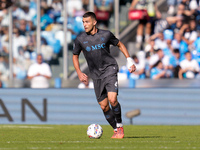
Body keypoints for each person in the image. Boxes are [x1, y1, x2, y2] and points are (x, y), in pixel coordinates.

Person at [72, 12, 136, 139]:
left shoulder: (106, 34)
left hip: (109, 69)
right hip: (95, 75)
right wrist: (79, 72)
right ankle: (116, 130)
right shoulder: (80, 39)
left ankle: (120, 127)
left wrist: (129, 60)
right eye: (83, 22)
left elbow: (120, 44)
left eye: (87, 22)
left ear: (94, 22)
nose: (84, 25)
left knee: (112, 99)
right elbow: (75, 56)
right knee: (104, 106)